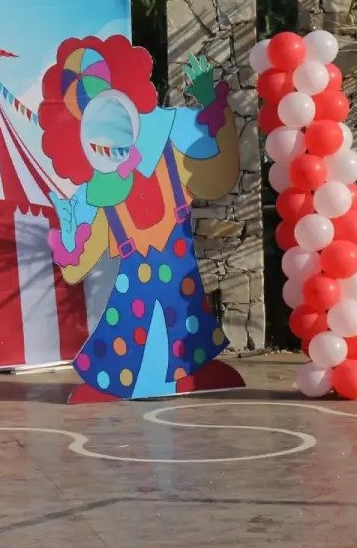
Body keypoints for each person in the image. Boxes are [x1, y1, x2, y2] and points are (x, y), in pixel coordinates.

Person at [40, 36, 244, 402]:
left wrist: (210, 101)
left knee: (184, 317)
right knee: (128, 327)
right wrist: (69, 231)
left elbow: (215, 159)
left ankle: (193, 370)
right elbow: (76, 263)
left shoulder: (167, 140)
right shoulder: (96, 189)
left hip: (178, 271)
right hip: (134, 283)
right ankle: (117, 383)